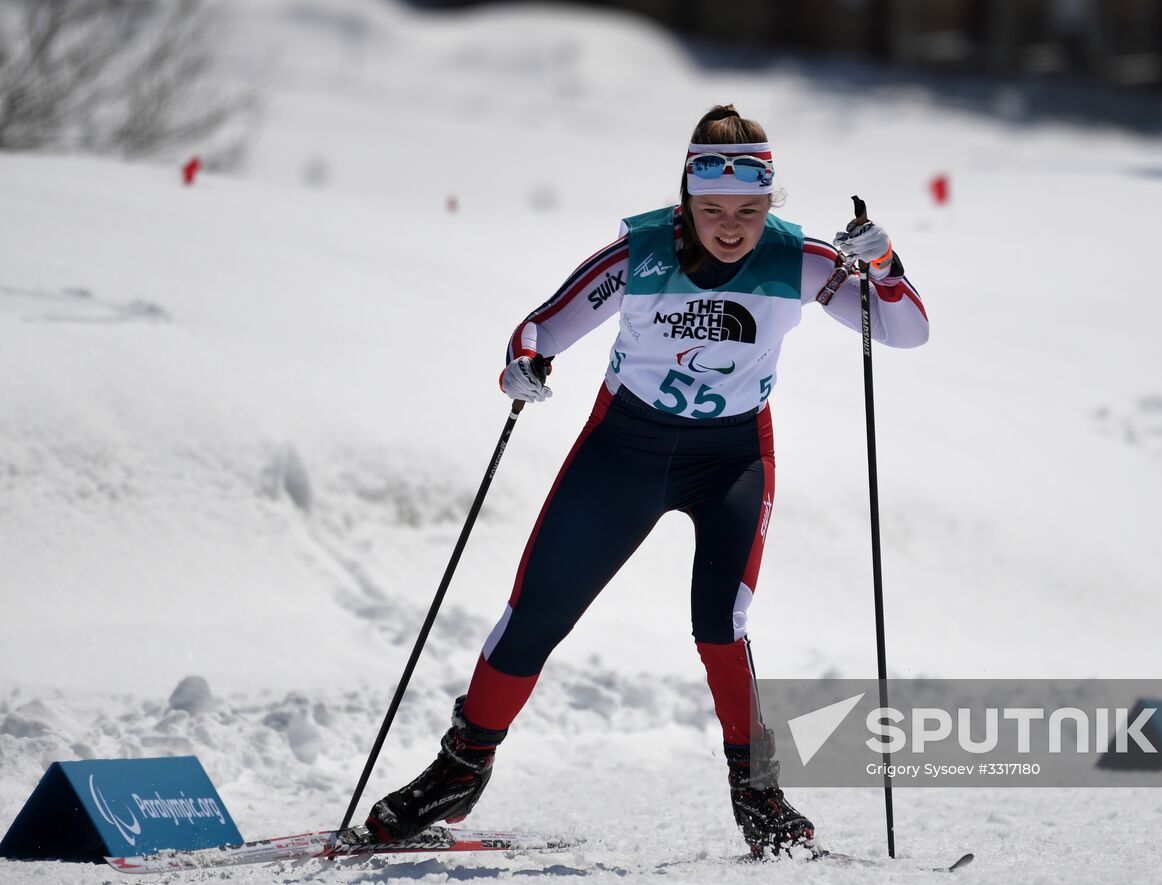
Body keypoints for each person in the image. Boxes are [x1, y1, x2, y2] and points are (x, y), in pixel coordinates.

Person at [365, 104, 929, 857]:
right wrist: (525, 365)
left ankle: (759, 794)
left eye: (750, 210)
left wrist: (884, 266)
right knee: (536, 612)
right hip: (624, 450)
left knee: (720, 626)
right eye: (713, 209)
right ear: (686, 200)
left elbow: (902, 330)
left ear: (771, 204)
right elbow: (543, 325)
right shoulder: (640, 252)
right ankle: (462, 767)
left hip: (730, 459)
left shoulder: (800, 259)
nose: (731, 226)